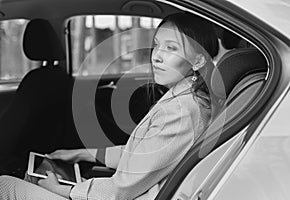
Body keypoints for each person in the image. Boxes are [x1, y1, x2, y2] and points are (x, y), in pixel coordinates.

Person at [0, 12, 219, 200]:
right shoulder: (183, 98)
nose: (157, 56)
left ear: (198, 61)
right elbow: (143, 154)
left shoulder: (180, 112)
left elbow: (119, 191)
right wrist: (81, 154)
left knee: (5, 185)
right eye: (156, 45)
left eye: (171, 48)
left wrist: (64, 190)